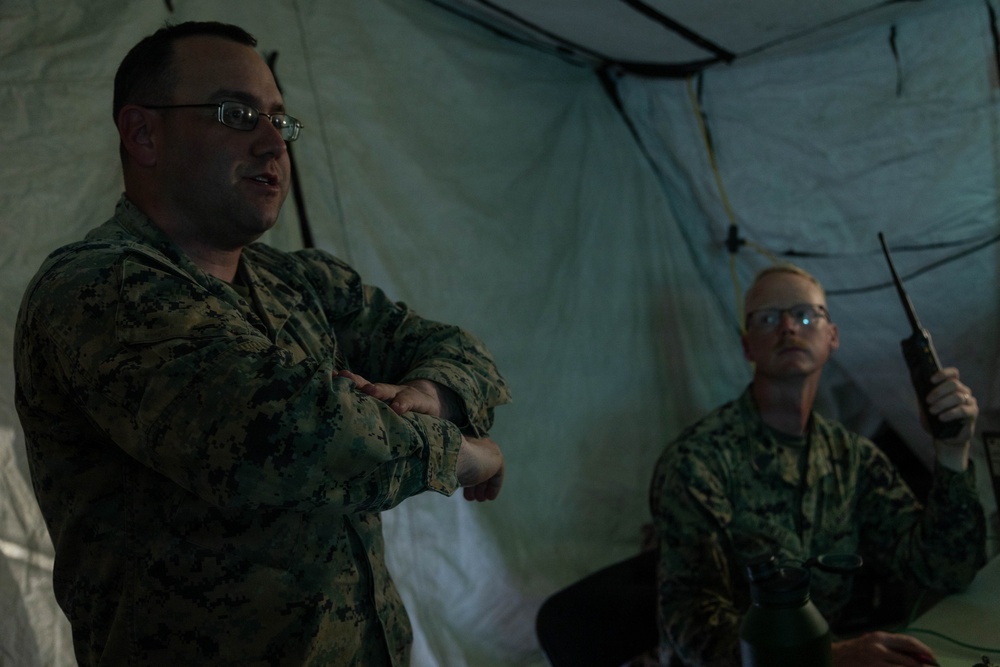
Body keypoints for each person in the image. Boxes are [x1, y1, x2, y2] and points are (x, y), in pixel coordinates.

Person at [13, 21, 511, 667]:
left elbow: (456, 349)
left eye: (280, 119)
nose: (273, 141)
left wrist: (431, 394)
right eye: (237, 113)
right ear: (143, 133)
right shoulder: (96, 287)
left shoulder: (296, 279)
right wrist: (466, 455)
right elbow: (287, 439)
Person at [648, 264, 986, 667]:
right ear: (746, 347)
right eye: (769, 318)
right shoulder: (699, 461)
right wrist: (828, 658)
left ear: (832, 337)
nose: (789, 327)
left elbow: (944, 569)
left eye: (806, 315)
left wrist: (952, 451)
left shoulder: (851, 458)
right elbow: (692, 624)